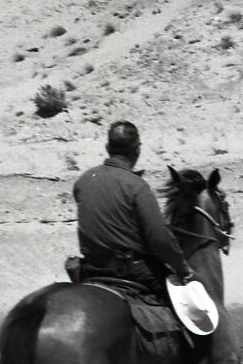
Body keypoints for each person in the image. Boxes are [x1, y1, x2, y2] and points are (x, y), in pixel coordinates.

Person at [70, 120, 195, 296]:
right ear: (137, 150)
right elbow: (160, 239)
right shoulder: (137, 186)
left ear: (107, 147)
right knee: (183, 303)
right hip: (132, 271)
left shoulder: (83, 181)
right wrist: (182, 268)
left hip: (90, 269)